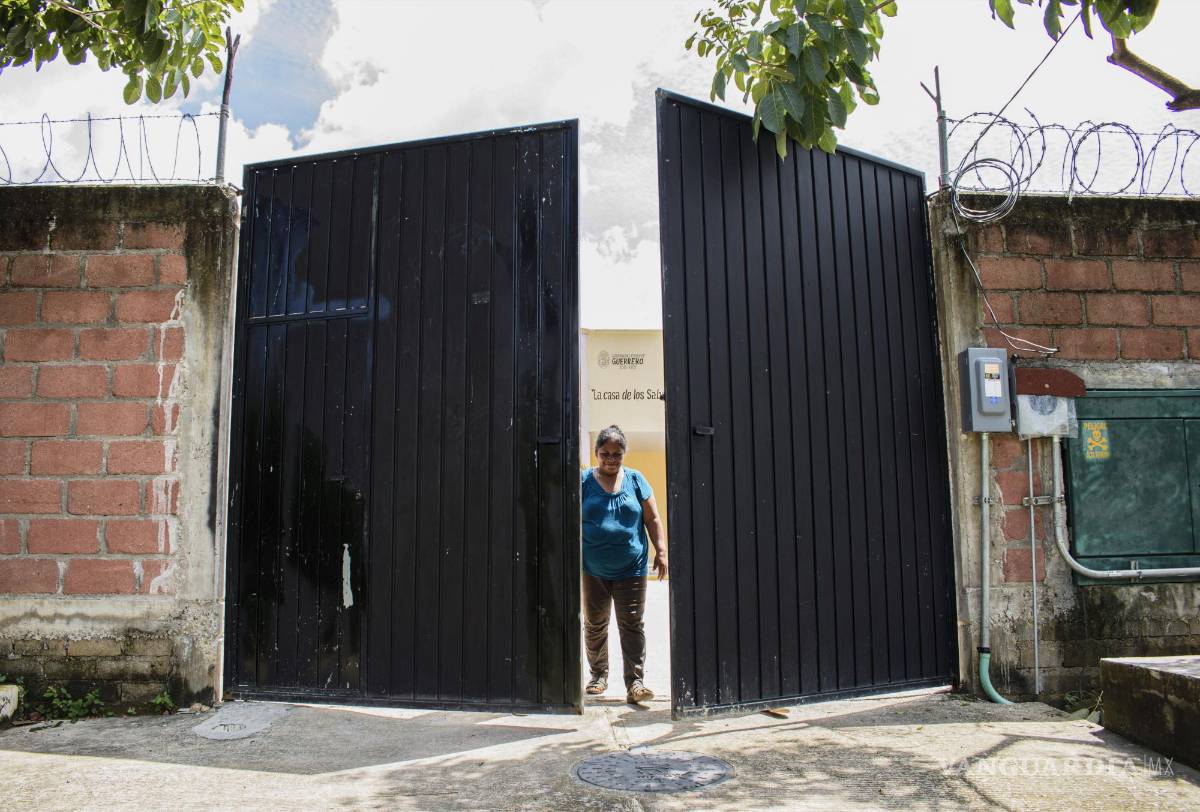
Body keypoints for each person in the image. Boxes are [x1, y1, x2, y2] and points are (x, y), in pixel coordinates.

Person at [581, 424, 667, 704]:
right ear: (596, 453)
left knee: (631, 623)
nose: (611, 459)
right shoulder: (583, 482)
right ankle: (598, 676)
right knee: (595, 624)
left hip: (632, 567)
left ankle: (636, 683)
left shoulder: (636, 479)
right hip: (593, 568)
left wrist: (661, 550)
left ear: (623, 454)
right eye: (605, 453)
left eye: (617, 454)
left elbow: (652, 518)